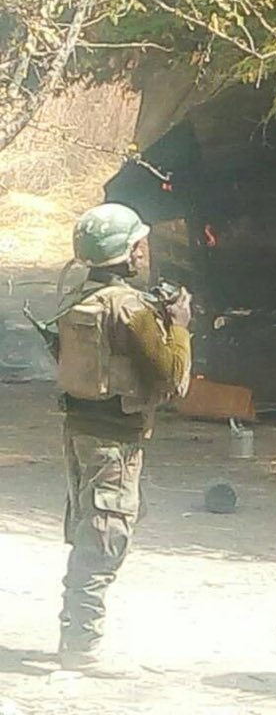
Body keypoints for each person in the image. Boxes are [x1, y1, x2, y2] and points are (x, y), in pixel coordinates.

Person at [54, 203, 192, 675]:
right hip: (114, 440)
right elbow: (170, 377)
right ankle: (81, 644)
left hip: (81, 431)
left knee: (92, 530)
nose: (144, 252)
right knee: (105, 538)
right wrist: (179, 327)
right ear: (128, 253)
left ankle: (77, 634)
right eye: (139, 244)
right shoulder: (130, 308)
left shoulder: (78, 297)